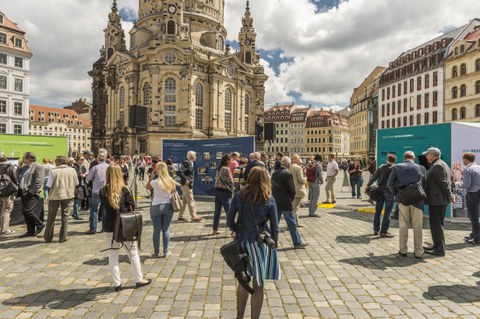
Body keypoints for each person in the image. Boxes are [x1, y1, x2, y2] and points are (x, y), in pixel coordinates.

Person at [227, 167, 280, 319]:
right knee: (259, 284)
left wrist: (237, 229)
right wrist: (274, 245)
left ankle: (239, 316)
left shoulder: (239, 195)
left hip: (243, 242)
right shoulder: (268, 197)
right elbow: (275, 227)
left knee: (243, 282)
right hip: (261, 244)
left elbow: (230, 220)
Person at [99, 164, 151, 291]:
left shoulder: (103, 190)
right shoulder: (124, 189)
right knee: (132, 253)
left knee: (113, 254)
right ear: (120, 174)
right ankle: (139, 279)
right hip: (124, 224)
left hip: (109, 225)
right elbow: (131, 206)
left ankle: (117, 283)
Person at [388, 151, 426, 258]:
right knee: (418, 226)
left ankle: (403, 250)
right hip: (417, 200)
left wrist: (397, 194)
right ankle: (418, 251)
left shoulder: (397, 167)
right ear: (413, 158)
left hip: (403, 199)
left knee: (403, 225)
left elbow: (390, 184)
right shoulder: (421, 168)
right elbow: (424, 183)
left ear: (404, 158)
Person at [423, 147, 454, 257]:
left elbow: (444, 183)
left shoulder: (436, 166)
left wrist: (450, 195)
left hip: (437, 200)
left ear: (432, 155)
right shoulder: (442, 164)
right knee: (437, 224)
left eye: (427, 154)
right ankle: (437, 245)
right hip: (438, 200)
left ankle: (439, 250)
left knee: (436, 225)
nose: (426, 156)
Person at [272, 157, 308, 249]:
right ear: (288, 164)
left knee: (275, 224)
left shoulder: (274, 173)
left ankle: (273, 242)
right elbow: (292, 190)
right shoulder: (287, 173)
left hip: (276, 201)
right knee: (292, 223)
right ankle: (297, 242)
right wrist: (291, 199)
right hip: (285, 202)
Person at [44, 156, 78, 243]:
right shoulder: (72, 170)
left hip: (55, 196)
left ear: (59, 162)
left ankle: (48, 237)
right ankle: (63, 237)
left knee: (51, 217)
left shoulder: (54, 171)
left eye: (56, 162)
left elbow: (49, 185)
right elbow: (76, 182)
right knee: (65, 217)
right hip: (68, 195)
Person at [146, 162, 177, 258]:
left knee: (156, 230)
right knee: (166, 229)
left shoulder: (155, 182)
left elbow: (147, 187)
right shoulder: (170, 181)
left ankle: (156, 252)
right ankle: (166, 252)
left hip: (156, 206)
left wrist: (152, 175)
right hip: (168, 206)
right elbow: (173, 191)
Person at [366, 154, 396, 237]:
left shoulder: (381, 168)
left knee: (378, 211)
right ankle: (384, 231)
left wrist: (367, 186)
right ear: (394, 161)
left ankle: (376, 229)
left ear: (387, 160)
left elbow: (374, 178)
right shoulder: (395, 168)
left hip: (380, 192)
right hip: (390, 192)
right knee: (387, 212)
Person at [17, 152, 45, 238]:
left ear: (29, 158)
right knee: (25, 212)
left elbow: (39, 181)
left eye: (24, 158)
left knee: (27, 210)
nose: (23, 159)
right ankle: (30, 231)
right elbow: (18, 176)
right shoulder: (25, 167)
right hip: (23, 192)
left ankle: (39, 224)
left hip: (30, 192)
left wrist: (32, 192)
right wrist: (19, 166)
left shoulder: (38, 167)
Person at [456, 152, 480, 245]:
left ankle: (476, 238)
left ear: (466, 160)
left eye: (463, 160)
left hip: (472, 195)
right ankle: (474, 235)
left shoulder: (468, 170)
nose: (463, 161)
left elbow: (467, 185)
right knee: (476, 217)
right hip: (478, 193)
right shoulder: (478, 167)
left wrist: (458, 184)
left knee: (473, 217)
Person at [85, 152, 109, 234]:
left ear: (98, 159)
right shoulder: (110, 167)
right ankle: (105, 227)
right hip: (106, 191)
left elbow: (88, 178)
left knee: (94, 209)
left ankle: (93, 228)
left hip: (96, 191)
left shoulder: (95, 168)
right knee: (105, 209)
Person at [177, 151, 203, 222]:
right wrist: (186, 180)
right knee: (191, 200)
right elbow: (180, 171)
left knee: (184, 202)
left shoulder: (190, 162)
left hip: (187, 185)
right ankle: (194, 217)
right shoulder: (187, 162)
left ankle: (180, 216)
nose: (196, 157)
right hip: (186, 185)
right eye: (195, 155)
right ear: (191, 156)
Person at [213, 154, 234, 235]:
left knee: (217, 211)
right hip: (224, 191)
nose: (231, 161)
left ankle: (215, 229)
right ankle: (233, 230)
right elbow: (230, 181)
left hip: (217, 190)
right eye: (230, 160)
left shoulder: (219, 168)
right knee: (229, 211)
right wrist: (232, 190)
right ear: (227, 160)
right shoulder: (226, 168)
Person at [0, 155, 19, 235]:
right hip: (7, 192)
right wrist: (16, 191)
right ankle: (4, 229)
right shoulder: (10, 167)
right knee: (6, 210)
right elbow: (15, 179)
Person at [289, 154, 307, 225]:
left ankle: (296, 222)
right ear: (297, 159)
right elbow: (300, 179)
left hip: (291, 190)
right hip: (298, 190)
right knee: (295, 208)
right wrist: (305, 180)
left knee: (294, 206)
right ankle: (293, 223)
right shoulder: (298, 168)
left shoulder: (289, 167)